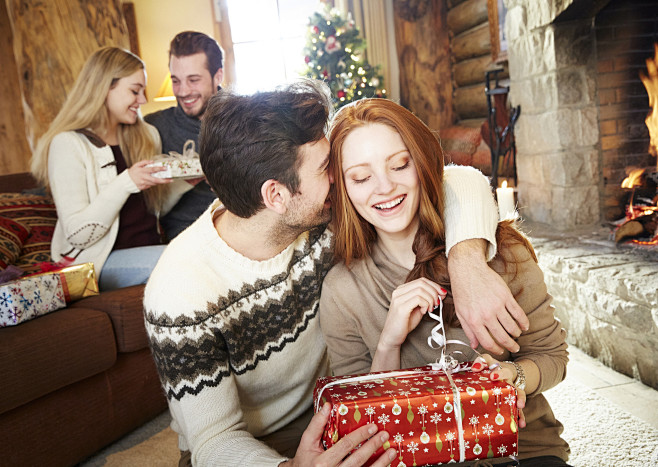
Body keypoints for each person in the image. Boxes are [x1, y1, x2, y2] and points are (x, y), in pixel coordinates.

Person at [144, 80, 531, 466]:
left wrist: (467, 261)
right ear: (276, 196)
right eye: (328, 168)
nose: (341, 177)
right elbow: (213, 440)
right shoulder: (180, 291)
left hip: (335, 409)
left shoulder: (322, 220)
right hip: (245, 450)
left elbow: (454, 180)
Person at [320, 98, 571, 466]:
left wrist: (512, 376)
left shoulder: (503, 252)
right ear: (342, 187)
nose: (385, 187)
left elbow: (552, 358)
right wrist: (389, 341)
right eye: (361, 177)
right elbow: (364, 424)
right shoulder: (343, 290)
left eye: (400, 165)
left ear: (422, 163)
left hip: (522, 451)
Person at [31, 47, 192, 291]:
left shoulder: (145, 135)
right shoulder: (68, 145)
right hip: (95, 263)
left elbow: (153, 208)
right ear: (105, 88)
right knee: (184, 260)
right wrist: (126, 182)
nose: (142, 100)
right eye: (135, 90)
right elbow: (78, 234)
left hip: (148, 250)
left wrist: (186, 183)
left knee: (201, 254)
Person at [145, 31, 224, 241]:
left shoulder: (246, 119)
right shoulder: (154, 126)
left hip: (242, 230)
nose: (183, 91)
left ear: (218, 76)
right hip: (187, 239)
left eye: (193, 80)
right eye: (176, 80)